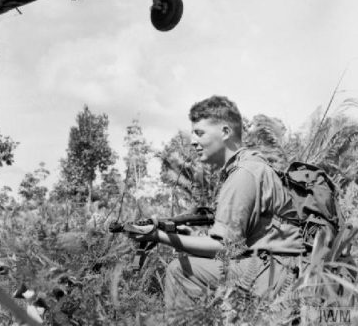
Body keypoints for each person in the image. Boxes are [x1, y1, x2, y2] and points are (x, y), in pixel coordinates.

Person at [129, 95, 303, 317]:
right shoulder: (252, 166)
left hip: (273, 276)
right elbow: (236, 247)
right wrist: (190, 237)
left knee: (180, 270)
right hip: (275, 269)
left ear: (225, 132)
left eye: (200, 133)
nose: (193, 141)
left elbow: (224, 249)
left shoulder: (243, 175)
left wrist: (158, 236)